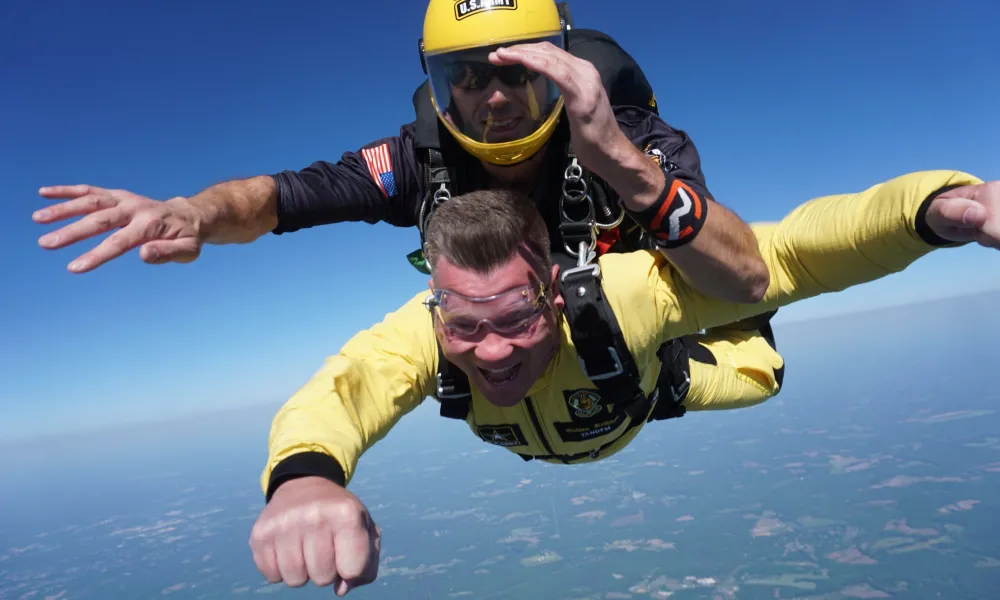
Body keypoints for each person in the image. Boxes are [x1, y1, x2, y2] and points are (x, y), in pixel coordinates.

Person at [249, 169, 997, 595]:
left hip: (649, 386)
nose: (495, 350)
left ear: (552, 289)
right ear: (437, 303)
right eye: (466, 324)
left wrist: (931, 212)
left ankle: (693, 337)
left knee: (761, 372)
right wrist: (305, 479)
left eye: (518, 316)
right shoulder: (425, 331)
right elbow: (344, 391)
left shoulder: (615, 294)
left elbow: (792, 254)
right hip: (606, 411)